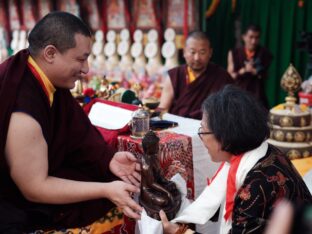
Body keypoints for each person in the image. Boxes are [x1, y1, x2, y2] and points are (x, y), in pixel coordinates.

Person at [0, 12, 142, 232]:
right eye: (80, 59)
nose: (86, 69)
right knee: (110, 204)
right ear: (50, 54)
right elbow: (34, 188)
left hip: (34, 178)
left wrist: (108, 159)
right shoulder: (23, 108)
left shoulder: (44, 80)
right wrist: (105, 190)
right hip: (12, 204)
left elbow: (78, 137)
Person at [159, 85, 312, 234]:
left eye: (203, 131)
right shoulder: (267, 151)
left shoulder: (254, 187)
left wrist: (180, 232)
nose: (202, 139)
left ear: (225, 138)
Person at [159, 31, 233, 120]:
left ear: (210, 53)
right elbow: (163, 108)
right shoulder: (175, 75)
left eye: (202, 52)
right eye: (192, 52)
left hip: (207, 130)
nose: (197, 58)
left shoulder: (222, 77)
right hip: (176, 128)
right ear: (184, 52)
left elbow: (229, 111)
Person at [227, 24, 273, 108]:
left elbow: (266, 75)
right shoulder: (234, 53)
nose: (253, 41)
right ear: (244, 37)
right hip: (239, 95)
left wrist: (255, 71)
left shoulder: (264, 53)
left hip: (257, 95)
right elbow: (230, 76)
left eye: (257, 38)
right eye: (251, 37)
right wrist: (244, 70)